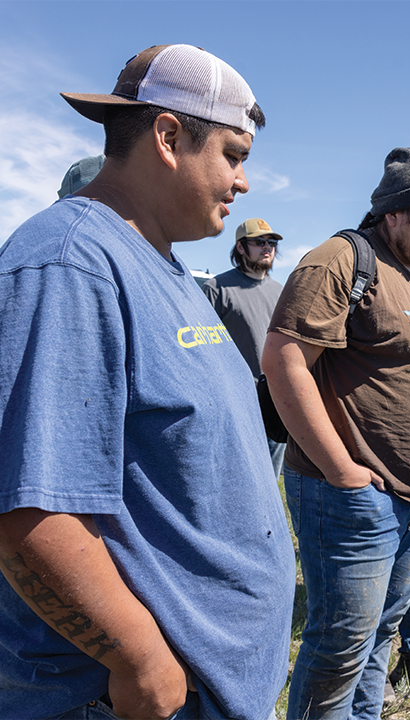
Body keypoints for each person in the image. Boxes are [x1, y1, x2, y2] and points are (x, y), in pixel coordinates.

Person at [0, 44, 295, 720]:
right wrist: (142, 662)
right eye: (233, 154)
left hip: (208, 682)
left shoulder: (161, 265)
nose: (243, 181)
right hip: (132, 698)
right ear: (168, 137)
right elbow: (29, 510)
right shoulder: (68, 262)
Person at [263, 147, 410, 720]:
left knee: (381, 636)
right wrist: (340, 470)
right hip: (353, 494)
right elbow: (283, 360)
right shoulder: (340, 260)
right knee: (340, 646)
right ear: (391, 214)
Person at [203, 217, 287, 477]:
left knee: (270, 481)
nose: (267, 247)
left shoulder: (282, 291)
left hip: (276, 400)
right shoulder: (216, 288)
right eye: (259, 242)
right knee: (235, 479)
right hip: (235, 403)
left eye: (271, 242)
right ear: (240, 247)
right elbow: (203, 352)